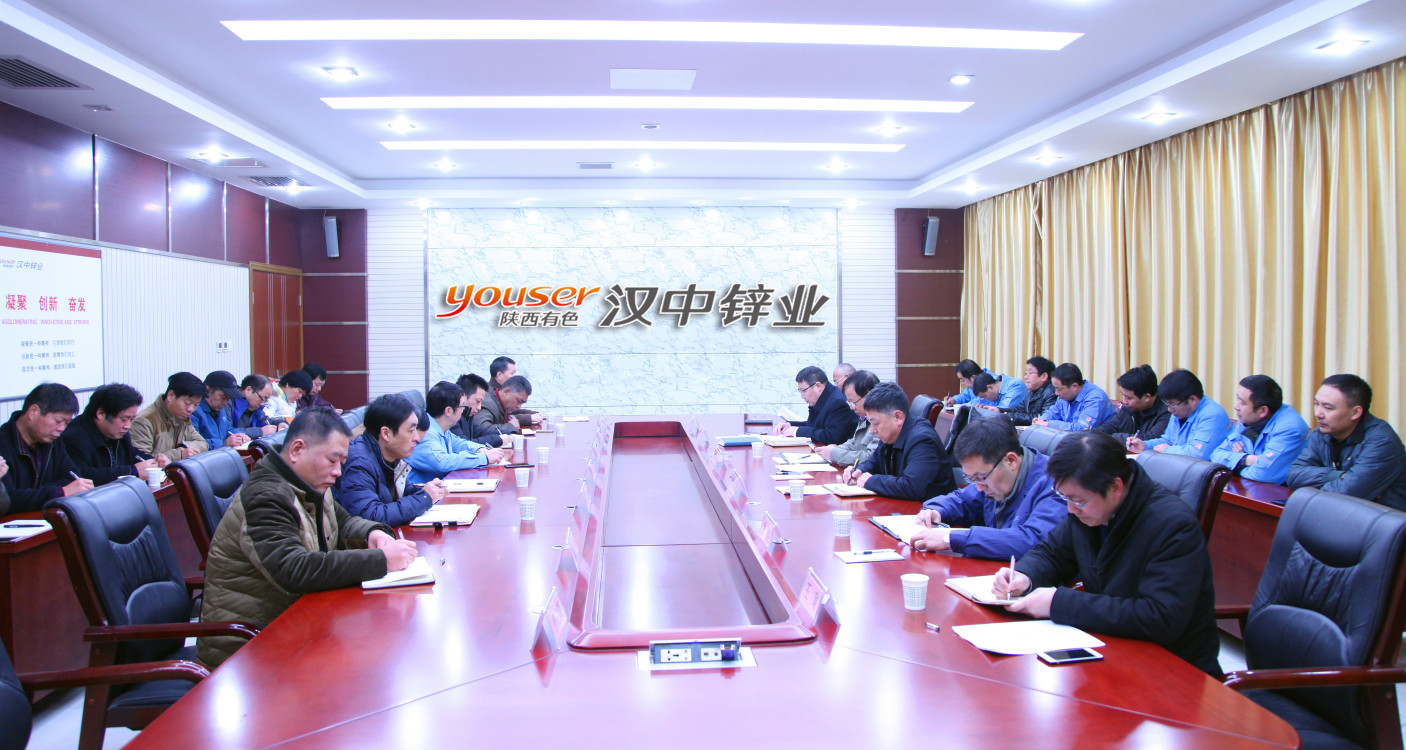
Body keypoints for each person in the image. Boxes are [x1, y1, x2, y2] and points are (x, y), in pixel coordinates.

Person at [196, 408, 419, 667]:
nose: (338, 472)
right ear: (297, 450)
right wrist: (380, 560)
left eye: (341, 462)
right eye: (332, 460)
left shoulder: (308, 482)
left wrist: (373, 533)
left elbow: (343, 523)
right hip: (248, 649)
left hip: (296, 625)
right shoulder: (266, 496)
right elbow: (293, 570)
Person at [993, 431, 1222, 677]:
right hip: (1112, 647)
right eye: (1065, 498)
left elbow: (1160, 617)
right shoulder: (1088, 509)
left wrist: (1058, 603)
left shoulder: (1173, 525)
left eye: (1077, 500)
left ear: (1115, 487)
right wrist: (1025, 576)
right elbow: (1052, 553)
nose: (1070, 509)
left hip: (1172, 669)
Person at [911, 418, 1066, 560]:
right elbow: (963, 500)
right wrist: (936, 510)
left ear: (1011, 461)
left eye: (981, 477)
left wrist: (951, 539)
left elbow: (1033, 541)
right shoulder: (994, 478)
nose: (979, 487)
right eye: (972, 479)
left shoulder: (1058, 485)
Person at [1287, 374, 1406, 511]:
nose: (1318, 413)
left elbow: (1345, 494)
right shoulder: (1322, 432)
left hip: (1385, 521)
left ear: (1355, 412)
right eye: (1316, 404)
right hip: (1343, 515)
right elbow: (1294, 475)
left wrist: (1317, 484)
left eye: (1328, 407)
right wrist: (1339, 476)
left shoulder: (1382, 442)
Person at [333, 394, 447, 527]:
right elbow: (370, 515)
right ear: (386, 433)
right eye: (411, 430)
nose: (417, 438)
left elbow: (403, 489)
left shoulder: (389, 455)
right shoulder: (359, 463)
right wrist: (424, 499)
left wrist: (428, 491)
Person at [841, 382, 956, 500]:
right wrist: (859, 471)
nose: (872, 430)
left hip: (929, 508)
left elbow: (911, 487)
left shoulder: (923, 440)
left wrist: (871, 481)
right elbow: (875, 462)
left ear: (897, 417)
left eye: (876, 423)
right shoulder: (890, 434)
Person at [0, 383, 91, 512]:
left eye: (66, 423)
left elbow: (73, 477)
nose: (61, 429)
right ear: (33, 412)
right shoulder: (4, 443)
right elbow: (8, 498)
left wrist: (34, 495)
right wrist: (59, 492)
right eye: (58, 421)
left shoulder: (53, 440)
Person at [1209, 375, 1308, 485]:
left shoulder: (1289, 428)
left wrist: (1237, 465)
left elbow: (1263, 474)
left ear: (1262, 411)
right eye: (1237, 399)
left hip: (1281, 491)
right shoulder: (1247, 420)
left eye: (1242, 402)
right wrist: (1246, 459)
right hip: (1252, 486)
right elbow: (1216, 455)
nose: (1236, 407)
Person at [407, 381, 506, 484]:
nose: (463, 410)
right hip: (421, 490)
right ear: (449, 411)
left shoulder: (440, 428)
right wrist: (484, 458)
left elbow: (459, 443)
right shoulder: (425, 431)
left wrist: (480, 450)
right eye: (462, 406)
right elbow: (443, 462)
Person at [60, 383, 158, 486]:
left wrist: (152, 462)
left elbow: (132, 455)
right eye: (124, 419)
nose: (128, 426)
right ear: (101, 414)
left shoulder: (119, 432)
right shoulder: (74, 437)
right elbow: (83, 476)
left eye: (131, 420)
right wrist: (132, 471)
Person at [1127, 369, 1229, 460]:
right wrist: (1145, 445)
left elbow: (1198, 454)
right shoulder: (1179, 411)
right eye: (1167, 404)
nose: (1169, 409)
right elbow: (1169, 440)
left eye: (1172, 404)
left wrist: (1167, 450)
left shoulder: (1212, 415)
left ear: (1192, 400)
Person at [129, 372, 209, 464]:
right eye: (187, 403)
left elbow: (203, 444)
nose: (190, 409)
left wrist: (185, 448)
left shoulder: (182, 418)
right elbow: (141, 461)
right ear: (170, 396)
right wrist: (179, 454)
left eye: (196, 405)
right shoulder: (144, 420)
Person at [776, 366, 859, 445]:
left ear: (818, 386)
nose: (802, 396)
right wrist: (791, 425)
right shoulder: (823, 397)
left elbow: (831, 437)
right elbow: (813, 426)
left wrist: (796, 431)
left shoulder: (838, 402)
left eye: (803, 391)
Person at [816, 370, 880, 468]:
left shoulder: (881, 421)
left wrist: (834, 454)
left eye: (854, 402)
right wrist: (837, 448)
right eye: (849, 403)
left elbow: (870, 458)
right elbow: (854, 443)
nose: (852, 407)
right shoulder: (865, 417)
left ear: (869, 396)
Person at [1096, 365, 1170, 444]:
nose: (1124, 401)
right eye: (1123, 395)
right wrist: (1091, 435)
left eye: (1128, 398)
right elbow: (1112, 426)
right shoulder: (1128, 406)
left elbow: (1147, 440)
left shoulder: (1168, 410)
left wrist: (1110, 438)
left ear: (1147, 397)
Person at [1034, 363, 1115, 431]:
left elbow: (1082, 429)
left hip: (1097, 442)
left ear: (1075, 386)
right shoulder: (1065, 395)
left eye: (1059, 389)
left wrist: (1048, 424)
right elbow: (1052, 412)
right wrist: (1042, 420)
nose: (1056, 393)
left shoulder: (1095, 398)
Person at [191, 370, 249, 449]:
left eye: (229, 399)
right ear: (207, 390)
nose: (225, 402)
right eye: (223, 397)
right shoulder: (193, 410)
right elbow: (194, 443)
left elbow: (227, 429)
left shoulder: (220, 408)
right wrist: (224, 443)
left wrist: (239, 435)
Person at [449, 373, 505, 448]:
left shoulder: (467, 415)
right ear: (463, 396)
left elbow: (480, 432)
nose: (479, 407)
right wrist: (498, 439)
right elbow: (465, 444)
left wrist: (508, 433)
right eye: (478, 401)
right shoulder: (452, 417)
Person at [946, 360, 1025, 410]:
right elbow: (965, 395)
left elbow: (1001, 410)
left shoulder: (1015, 385)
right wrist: (954, 400)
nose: (962, 383)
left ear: (973, 378)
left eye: (963, 380)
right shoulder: (982, 384)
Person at [1005, 356, 1058, 427]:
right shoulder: (1030, 391)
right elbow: (1018, 410)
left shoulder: (1052, 392)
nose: (1026, 377)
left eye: (1030, 373)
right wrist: (1000, 411)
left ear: (1044, 376)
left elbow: (1042, 419)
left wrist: (1011, 416)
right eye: (1026, 373)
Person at [489, 356, 541, 427]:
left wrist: (533, 413)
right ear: (499, 375)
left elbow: (512, 410)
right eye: (512, 373)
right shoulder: (488, 394)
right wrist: (529, 418)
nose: (514, 377)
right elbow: (504, 418)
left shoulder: (500, 392)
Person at [230, 374, 279, 440]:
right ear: (248, 390)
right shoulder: (227, 402)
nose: (263, 404)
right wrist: (260, 432)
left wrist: (279, 423)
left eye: (266, 400)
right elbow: (227, 431)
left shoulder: (256, 406)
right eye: (263, 398)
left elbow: (265, 421)